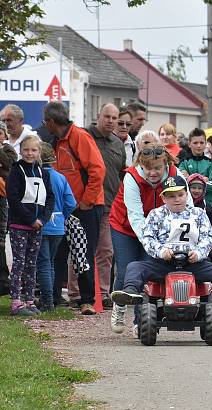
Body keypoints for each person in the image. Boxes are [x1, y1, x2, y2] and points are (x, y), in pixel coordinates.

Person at [110, 176, 212, 315]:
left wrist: (198, 253)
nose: (177, 199)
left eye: (180, 195)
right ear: (164, 198)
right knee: (134, 267)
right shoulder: (155, 215)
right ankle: (131, 291)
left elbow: (207, 237)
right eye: (171, 196)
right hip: (163, 263)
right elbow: (148, 238)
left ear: (187, 195)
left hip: (193, 263)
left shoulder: (198, 214)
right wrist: (161, 251)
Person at [108, 134, 178, 333]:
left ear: (165, 164)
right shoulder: (132, 177)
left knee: (148, 271)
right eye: (149, 169)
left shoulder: (174, 174)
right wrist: (151, 243)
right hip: (125, 226)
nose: (153, 173)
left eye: (158, 168)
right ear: (141, 164)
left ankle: (141, 322)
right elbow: (136, 217)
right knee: (127, 268)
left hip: (156, 228)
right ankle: (119, 307)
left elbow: (185, 205)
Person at [42, 101, 106, 315]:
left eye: (45, 121)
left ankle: (87, 300)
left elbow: (98, 170)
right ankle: (53, 299)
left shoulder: (79, 137)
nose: (44, 124)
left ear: (51, 122)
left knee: (83, 253)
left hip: (85, 208)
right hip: (66, 209)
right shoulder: (57, 141)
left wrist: (87, 201)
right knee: (58, 252)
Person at [7, 135, 54, 316]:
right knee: (19, 263)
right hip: (20, 225)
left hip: (38, 226)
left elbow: (50, 198)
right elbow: (14, 198)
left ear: (39, 152)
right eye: (26, 150)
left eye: (33, 150)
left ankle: (29, 300)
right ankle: (16, 301)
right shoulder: (16, 170)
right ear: (20, 150)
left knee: (32, 264)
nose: (29, 153)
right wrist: (29, 219)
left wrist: (43, 218)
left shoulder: (44, 172)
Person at [89, 103, 127, 308]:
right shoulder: (86, 137)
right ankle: (78, 293)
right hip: (85, 203)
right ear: (98, 116)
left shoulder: (118, 144)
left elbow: (121, 172)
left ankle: (103, 293)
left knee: (105, 250)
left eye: (115, 118)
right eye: (108, 117)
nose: (111, 121)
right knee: (80, 249)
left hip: (108, 204)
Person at [36, 142, 76, 311]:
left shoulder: (37, 176)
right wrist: (61, 217)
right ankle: (51, 297)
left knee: (43, 263)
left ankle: (47, 301)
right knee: (50, 262)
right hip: (58, 226)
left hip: (41, 224)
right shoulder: (60, 177)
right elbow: (71, 203)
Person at [187, 173, 212, 263]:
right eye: (193, 187)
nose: (196, 190)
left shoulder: (207, 207)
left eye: (200, 188)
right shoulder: (183, 205)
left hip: (202, 241)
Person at [178, 128, 212, 207]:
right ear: (189, 144)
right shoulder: (183, 163)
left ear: (205, 143)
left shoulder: (211, 163)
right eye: (195, 143)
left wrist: (190, 178)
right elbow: (181, 185)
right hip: (187, 206)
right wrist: (204, 179)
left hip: (207, 207)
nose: (199, 146)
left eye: (201, 142)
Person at [0, 122, 17, 295]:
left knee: (1, 238)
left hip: (3, 196)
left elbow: (10, 167)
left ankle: (4, 280)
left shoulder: (9, 150)